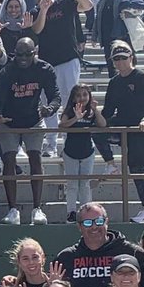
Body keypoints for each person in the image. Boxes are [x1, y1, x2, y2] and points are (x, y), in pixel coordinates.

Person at [0, 37, 59, 225]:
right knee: (9, 160)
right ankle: (13, 209)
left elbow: (55, 96)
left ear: (34, 53)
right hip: (9, 121)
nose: (21, 59)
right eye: (18, 54)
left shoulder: (45, 69)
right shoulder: (7, 72)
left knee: (35, 158)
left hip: (34, 120)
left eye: (26, 55)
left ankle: (37, 208)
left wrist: (49, 109)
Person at [98, 41, 144, 223]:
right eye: (116, 59)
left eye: (123, 58)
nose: (120, 62)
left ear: (131, 58)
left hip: (141, 127)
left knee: (137, 168)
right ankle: (110, 164)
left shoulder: (141, 77)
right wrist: (94, 113)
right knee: (95, 131)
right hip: (123, 123)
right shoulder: (114, 82)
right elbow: (107, 112)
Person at [33, 0, 93, 155]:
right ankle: (51, 143)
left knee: (70, 99)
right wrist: (43, 10)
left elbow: (88, 6)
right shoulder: (36, 11)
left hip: (69, 59)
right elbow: (37, 30)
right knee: (48, 102)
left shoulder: (66, 3)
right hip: (47, 63)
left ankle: (69, 141)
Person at [58, 83, 106, 223]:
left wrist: (95, 110)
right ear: (73, 98)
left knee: (85, 184)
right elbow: (62, 125)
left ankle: (87, 212)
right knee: (72, 183)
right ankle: (71, 212)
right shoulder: (69, 111)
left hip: (87, 152)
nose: (82, 98)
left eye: (85, 94)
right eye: (78, 95)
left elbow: (103, 124)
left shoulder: (91, 112)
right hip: (70, 152)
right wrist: (76, 118)